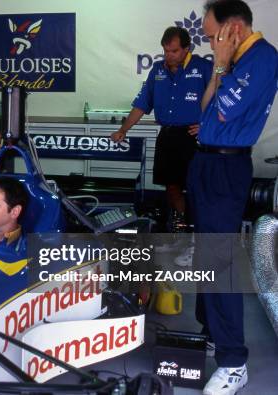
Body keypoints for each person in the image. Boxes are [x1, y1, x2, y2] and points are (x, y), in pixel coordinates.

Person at [191, 1, 277, 394]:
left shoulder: (260, 59)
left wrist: (221, 65)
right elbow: (206, 105)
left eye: (212, 36)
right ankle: (214, 331)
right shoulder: (231, 62)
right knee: (205, 256)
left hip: (227, 168)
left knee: (220, 261)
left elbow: (223, 112)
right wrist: (218, 67)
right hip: (206, 164)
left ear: (235, 27)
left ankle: (233, 362)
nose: (210, 44)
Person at [111, 26, 212, 249]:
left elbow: (221, 102)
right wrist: (123, 130)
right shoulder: (157, 70)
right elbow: (141, 104)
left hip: (195, 138)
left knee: (196, 190)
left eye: (174, 51)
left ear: (187, 49)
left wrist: (207, 125)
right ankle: (178, 237)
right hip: (167, 136)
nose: (169, 56)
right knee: (172, 188)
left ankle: (197, 243)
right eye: (166, 50)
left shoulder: (204, 68)